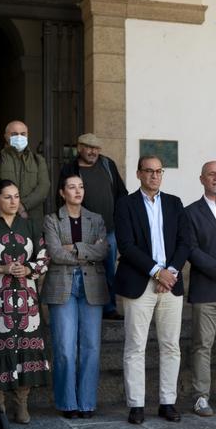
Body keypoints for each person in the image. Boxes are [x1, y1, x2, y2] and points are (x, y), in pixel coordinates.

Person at [114, 155, 191, 425]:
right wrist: (157, 272)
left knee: (171, 345)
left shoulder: (174, 203)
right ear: (138, 174)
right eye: (149, 171)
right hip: (140, 283)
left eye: (159, 171)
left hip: (171, 282)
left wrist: (169, 272)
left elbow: (185, 242)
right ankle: (136, 405)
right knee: (136, 346)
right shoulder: (125, 204)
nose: (154, 176)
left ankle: (167, 402)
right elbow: (126, 245)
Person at [0, 179, 50, 424]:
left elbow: (44, 257)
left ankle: (22, 401)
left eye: (16, 196)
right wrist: (1, 267)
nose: (13, 201)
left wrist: (28, 269)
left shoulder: (31, 226)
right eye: (7, 197)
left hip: (27, 298)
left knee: (27, 347)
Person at [42, 174, 109, 419]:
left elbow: (103, 250)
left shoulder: (97, 219)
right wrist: (87, 251)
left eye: (81, 186)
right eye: (72, 187)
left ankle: (87, 402)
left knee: (91, 346)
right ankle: (68, 402)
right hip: (62, 285)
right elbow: (55, 253)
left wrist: (76, 248)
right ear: (62, 193)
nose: (77, 191)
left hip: (92, 285)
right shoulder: (51, 219)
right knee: (65, 348)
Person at [59, 132, 128, 319]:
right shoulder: (70, 168)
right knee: (86, 270)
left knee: (108, 269)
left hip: (109, 229)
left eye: (96, 148)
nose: (93, 151)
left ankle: (109, 308)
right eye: (89, 147)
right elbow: (63, 197)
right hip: (81, 230)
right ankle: (87, 306)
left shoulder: (108, 164)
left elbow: (122, 193)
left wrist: (121, 220)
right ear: (79, 148)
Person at [185, 160, 216, 417]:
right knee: (202, 345)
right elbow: (190, 248)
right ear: (202, 179)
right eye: (212, 174)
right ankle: (201, 397)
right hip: (205, 288)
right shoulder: (191, 212)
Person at [0, 120, 50, 219]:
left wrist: (23, 206)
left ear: (27, 136)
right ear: (6, 136)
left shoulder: (38, 160)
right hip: (2, 218)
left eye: (23, 134)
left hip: (31, 218)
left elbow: (44, 187)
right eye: (14, 134)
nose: (19, 137)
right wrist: (16, 207)